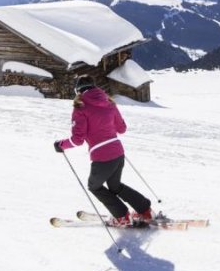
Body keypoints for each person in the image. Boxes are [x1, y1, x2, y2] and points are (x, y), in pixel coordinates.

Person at [53, 75, 152, 227]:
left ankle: (122, 216)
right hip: (118, 152)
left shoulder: (80, 106)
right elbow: (122, 128)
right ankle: (144, 209)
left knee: (94, 186)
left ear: (78, 90)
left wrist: (61, 145)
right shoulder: (109, 101)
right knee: (115, 186)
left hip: (102, 157)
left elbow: (77, 139)